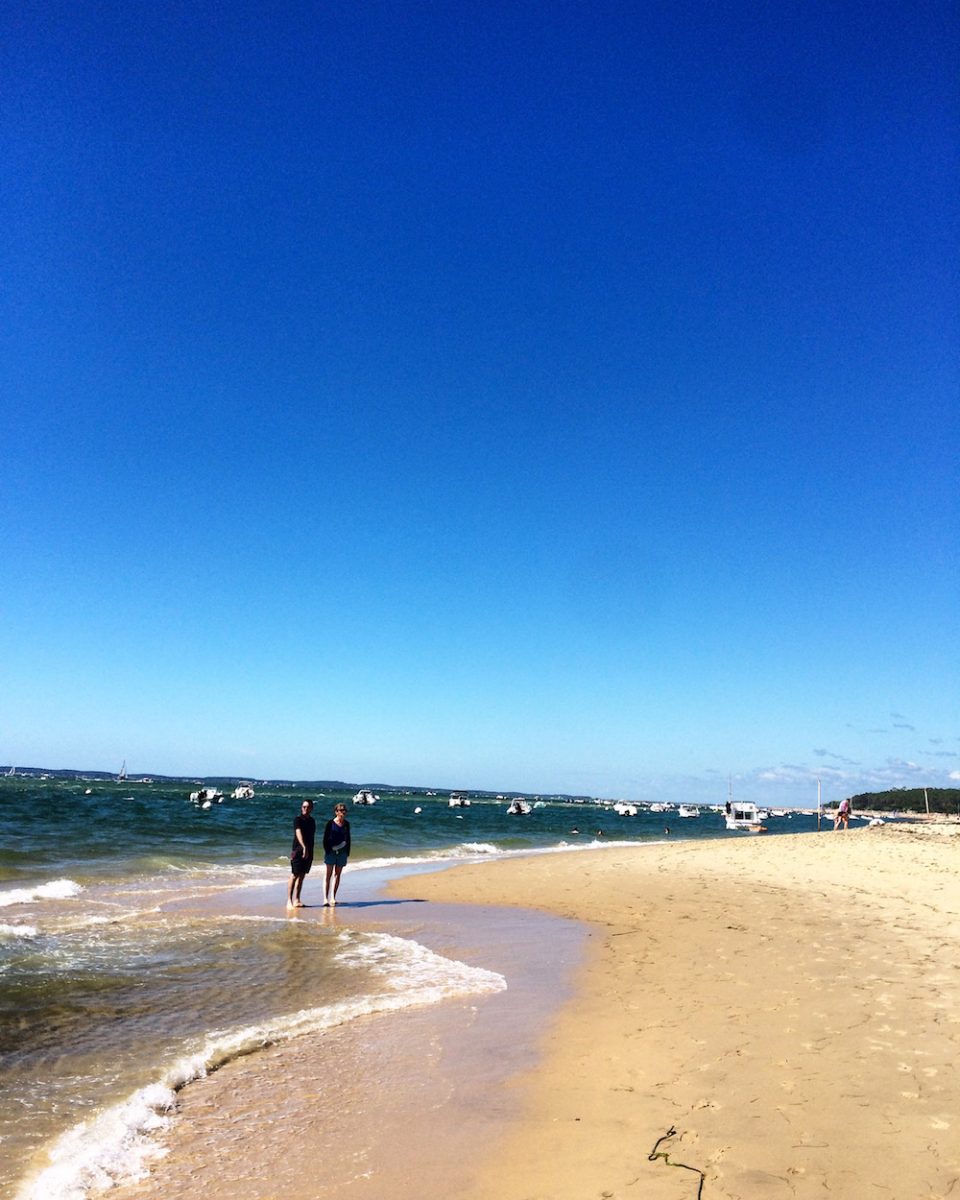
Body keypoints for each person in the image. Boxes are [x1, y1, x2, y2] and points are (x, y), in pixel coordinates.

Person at [288, 799, 316, 907]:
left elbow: (311, 836)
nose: (305, 809)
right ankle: (289, 900)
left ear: (311, 808)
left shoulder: (312, 821)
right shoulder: (297, 819)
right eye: (304, 807)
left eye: (308, 807)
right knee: (294, 875)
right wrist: (303, 847)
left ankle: (297, 899)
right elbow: (298, 833)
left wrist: (309, 850)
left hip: (309, 852)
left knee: (302, 876)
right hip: (298, 850)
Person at [323, 802, 351, 906]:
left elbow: (348, 838)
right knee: (328, 875)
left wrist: (347, 851)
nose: (343, 812)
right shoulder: (330, 823)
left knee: (337, 875)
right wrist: (328, 850)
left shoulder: (347, 824)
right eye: (341, 810)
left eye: (344, 810)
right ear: (336, 812)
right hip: (331, 852)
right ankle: (325, 898)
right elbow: (325, 839)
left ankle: (333, 898)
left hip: (342, 852)